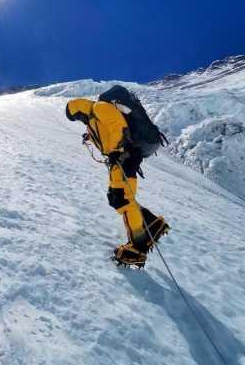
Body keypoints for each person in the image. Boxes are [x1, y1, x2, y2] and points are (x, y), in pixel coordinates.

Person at [65, 87, 169, 267]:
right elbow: (105, 130)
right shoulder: (93, 118)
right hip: (123, 157)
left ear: (79, 108)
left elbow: (118, 126)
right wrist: (89, 137)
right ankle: (151, 225)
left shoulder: (99, 107)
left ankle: (138, 246)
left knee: (122, 200)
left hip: (123, 157)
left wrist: (116, 151)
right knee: (118, 198)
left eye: (77, 116)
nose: (79, 120)